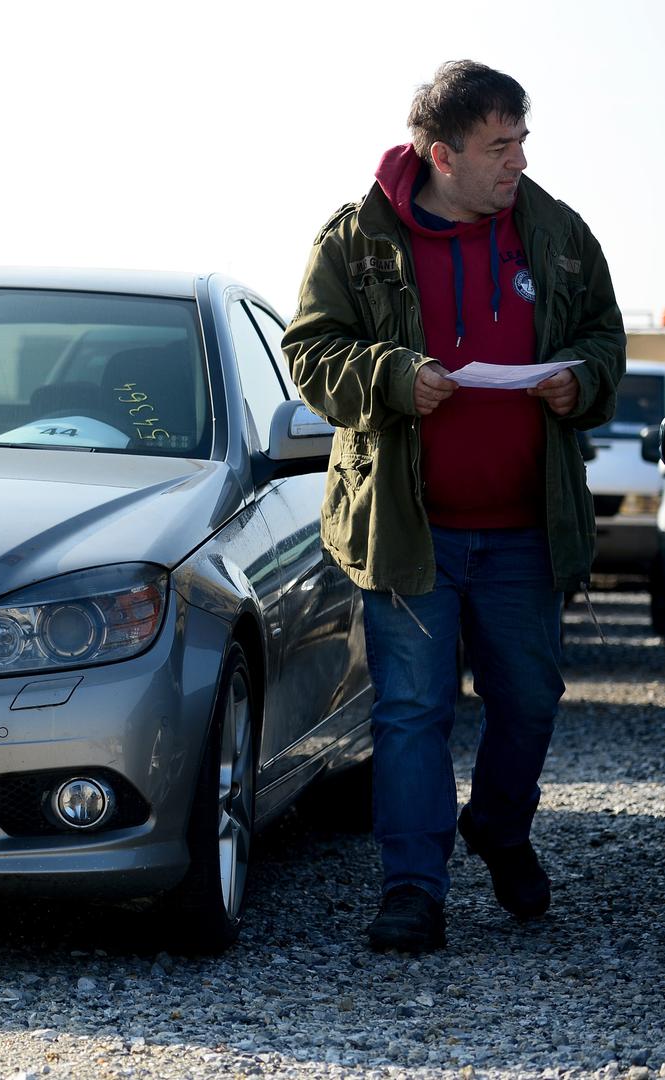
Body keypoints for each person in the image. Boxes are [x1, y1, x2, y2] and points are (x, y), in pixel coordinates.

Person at [284, 62, 625, 953]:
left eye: (521, 142)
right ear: (441, 154)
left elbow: (603, 341)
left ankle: (501, 829)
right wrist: (394, 376)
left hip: (523, 529)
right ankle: (411, 892)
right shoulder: (354, 239)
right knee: (411, 711)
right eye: (498, 146)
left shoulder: (553, 232)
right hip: (409, 532)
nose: (517, 161)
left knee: (530, 704)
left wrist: (580, 380)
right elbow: (312, 357)